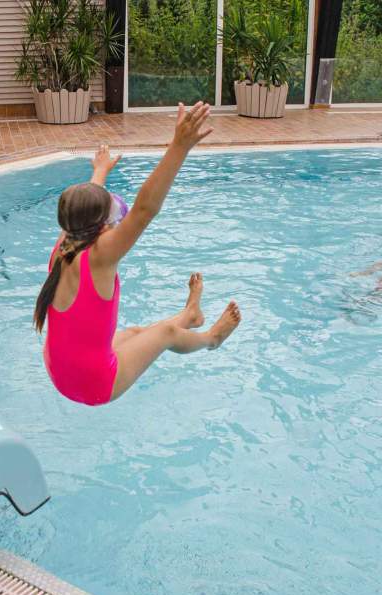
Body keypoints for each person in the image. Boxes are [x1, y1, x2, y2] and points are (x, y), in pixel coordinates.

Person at [34, 101, 242, 406]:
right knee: (167, 333)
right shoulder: (99, 257)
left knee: (134, 333)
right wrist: (179, 147)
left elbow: (84, 209)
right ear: (103, 224)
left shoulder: (63, 244)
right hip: (92, 385)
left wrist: (100, 172)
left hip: (60, 373)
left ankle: (190, 315)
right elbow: (145, 209)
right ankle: (212, 338)